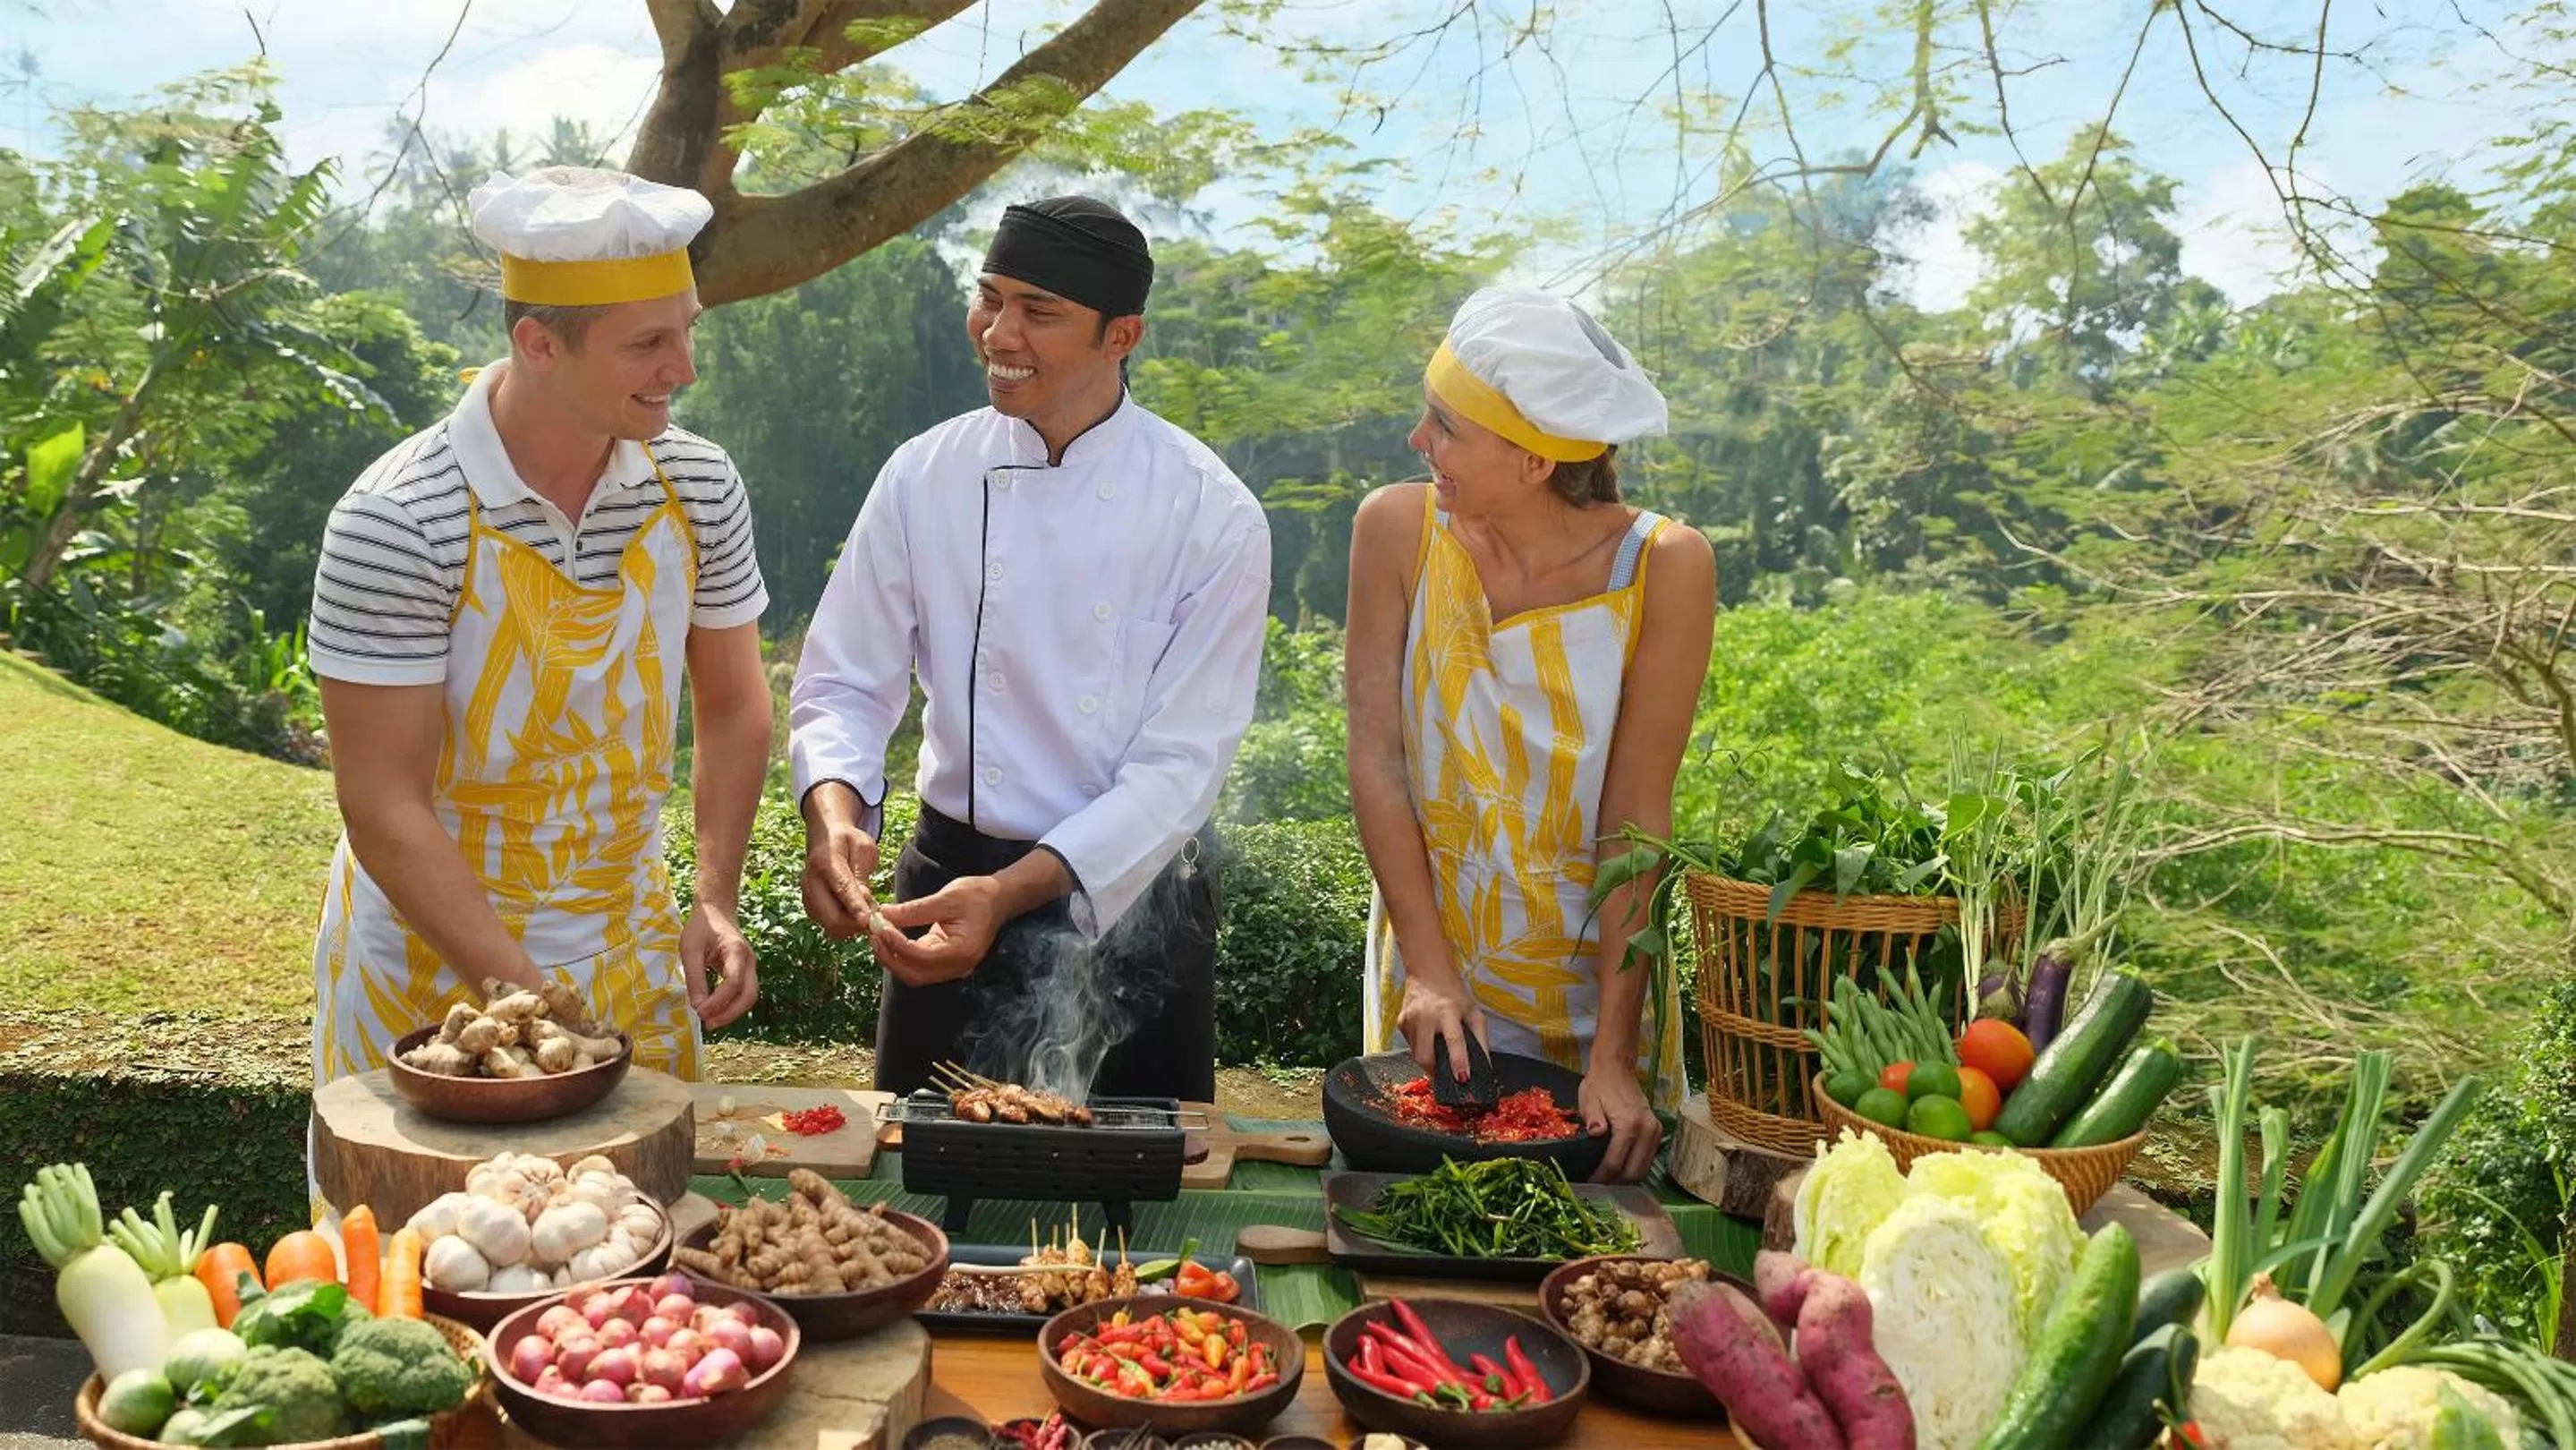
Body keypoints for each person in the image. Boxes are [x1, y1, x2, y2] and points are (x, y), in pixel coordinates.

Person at [304, 167, 772, 1136]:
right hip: (429, 966)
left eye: (687, 329)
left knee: (637, 1260)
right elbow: (381, 802)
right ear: (537, 344)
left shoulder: (698, 486)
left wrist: (715, 898)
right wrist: (534, 1015)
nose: (681, 366)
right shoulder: (397, 518)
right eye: (647, 342)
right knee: (426, 1256)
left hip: (628, 937)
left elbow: (732, 704)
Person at [789, 195, 1271, 1105]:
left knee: (1139, 1218)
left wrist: (1010, 895)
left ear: (1119, 334)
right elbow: (844, 683)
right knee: (918, 1192)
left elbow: (1179, 767)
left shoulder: (1209, 512)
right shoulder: (923, 474)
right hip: (946, 877)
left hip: (1129, 899)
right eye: (990, 297)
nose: (998, 331)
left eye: (1038, 312)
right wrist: (836, 815)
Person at [1346, 287, 1716, 1183]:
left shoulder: (1663, 566)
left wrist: (1613, 1060)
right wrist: (1430, 975)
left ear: (1534, 459)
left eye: (1443, 426)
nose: (1415, 442)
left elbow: (1635, 819)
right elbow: (1378, 758)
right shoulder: (1395, 529)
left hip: (1595, 997)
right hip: (1435, 971)